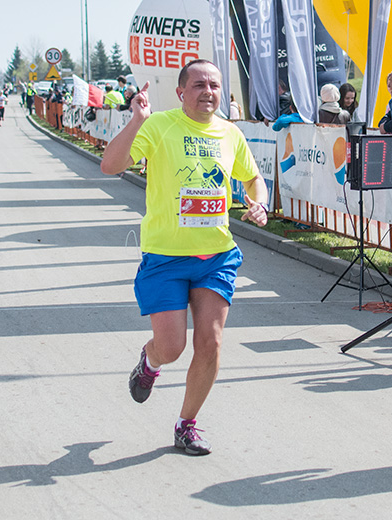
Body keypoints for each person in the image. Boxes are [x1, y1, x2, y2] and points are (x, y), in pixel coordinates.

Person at [100, 59, 269, 456]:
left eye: (213, 84)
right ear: (181, 93)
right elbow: (110, 165)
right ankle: (150, 361)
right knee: (172, 347)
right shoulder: (158, 126)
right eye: (198, 85)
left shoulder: (230, 133)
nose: (207, 91)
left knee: (209, 342)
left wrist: (259, 204)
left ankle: (186, 424)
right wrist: (137, 120)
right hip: (166, 255)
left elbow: (253, 178)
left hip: (216, 254)